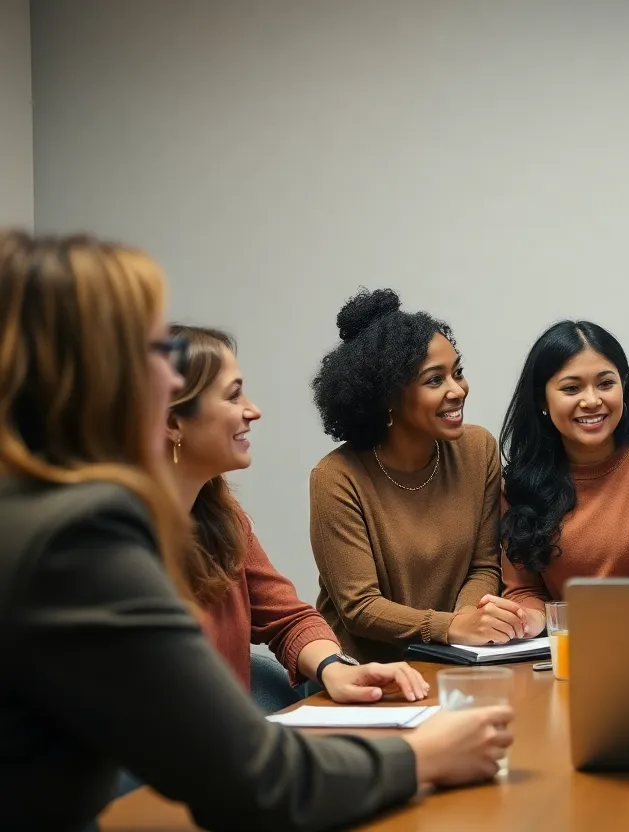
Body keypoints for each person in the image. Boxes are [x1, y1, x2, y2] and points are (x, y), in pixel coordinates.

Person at [0, 231, 512, 832]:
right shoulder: (80, 536)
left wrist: (334, 666)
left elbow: (285, 619)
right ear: (94, 373)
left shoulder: (66, 509)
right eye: (155, 350)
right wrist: (426, 755)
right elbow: (254, 780)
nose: (171, 375)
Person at [166, 323, 428, 706]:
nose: (253, 411)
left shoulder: (223, 517)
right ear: (173, 423)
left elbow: (287, 618)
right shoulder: (117, 542)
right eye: (233, 396)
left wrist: (337, 669)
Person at [310, 288, 521, 660]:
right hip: (365, 675)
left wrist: (466, 623)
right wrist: (449, 627)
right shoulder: (337, 477)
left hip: (453, 661)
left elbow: (485, 565)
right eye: (435, 380)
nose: (458, 390)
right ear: (388, 398)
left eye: (458, 372)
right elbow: (359, 607)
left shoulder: (478, 450)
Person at [491, 321, 629, 635]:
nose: (592, 400)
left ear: (623, 386)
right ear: (542, 400)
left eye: (605, 384)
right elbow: (524, 590)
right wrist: (527, 620)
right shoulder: (521, 481)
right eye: (571, 388)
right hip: (559, 649)